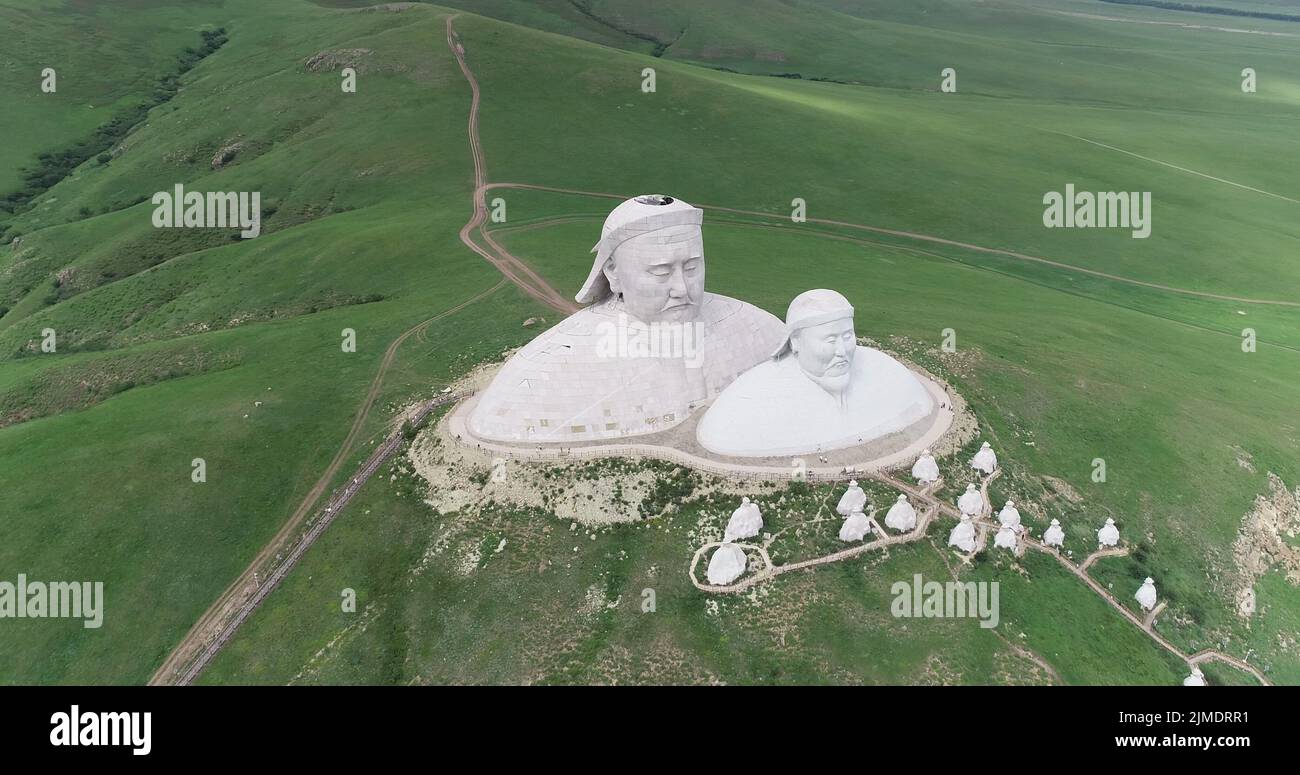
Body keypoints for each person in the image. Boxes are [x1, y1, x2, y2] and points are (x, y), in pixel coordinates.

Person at [469, 194, 785, 444]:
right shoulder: (551, 374)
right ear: (613, 274)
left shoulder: (763, 330)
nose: (681, 289)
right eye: (661, 271)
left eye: (691, 267)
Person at [697, 289, 936, 457]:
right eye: (830, 340)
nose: (842, 351)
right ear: (796, 343)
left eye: (847, 337)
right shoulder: (750, 402)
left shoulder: (887, 373)